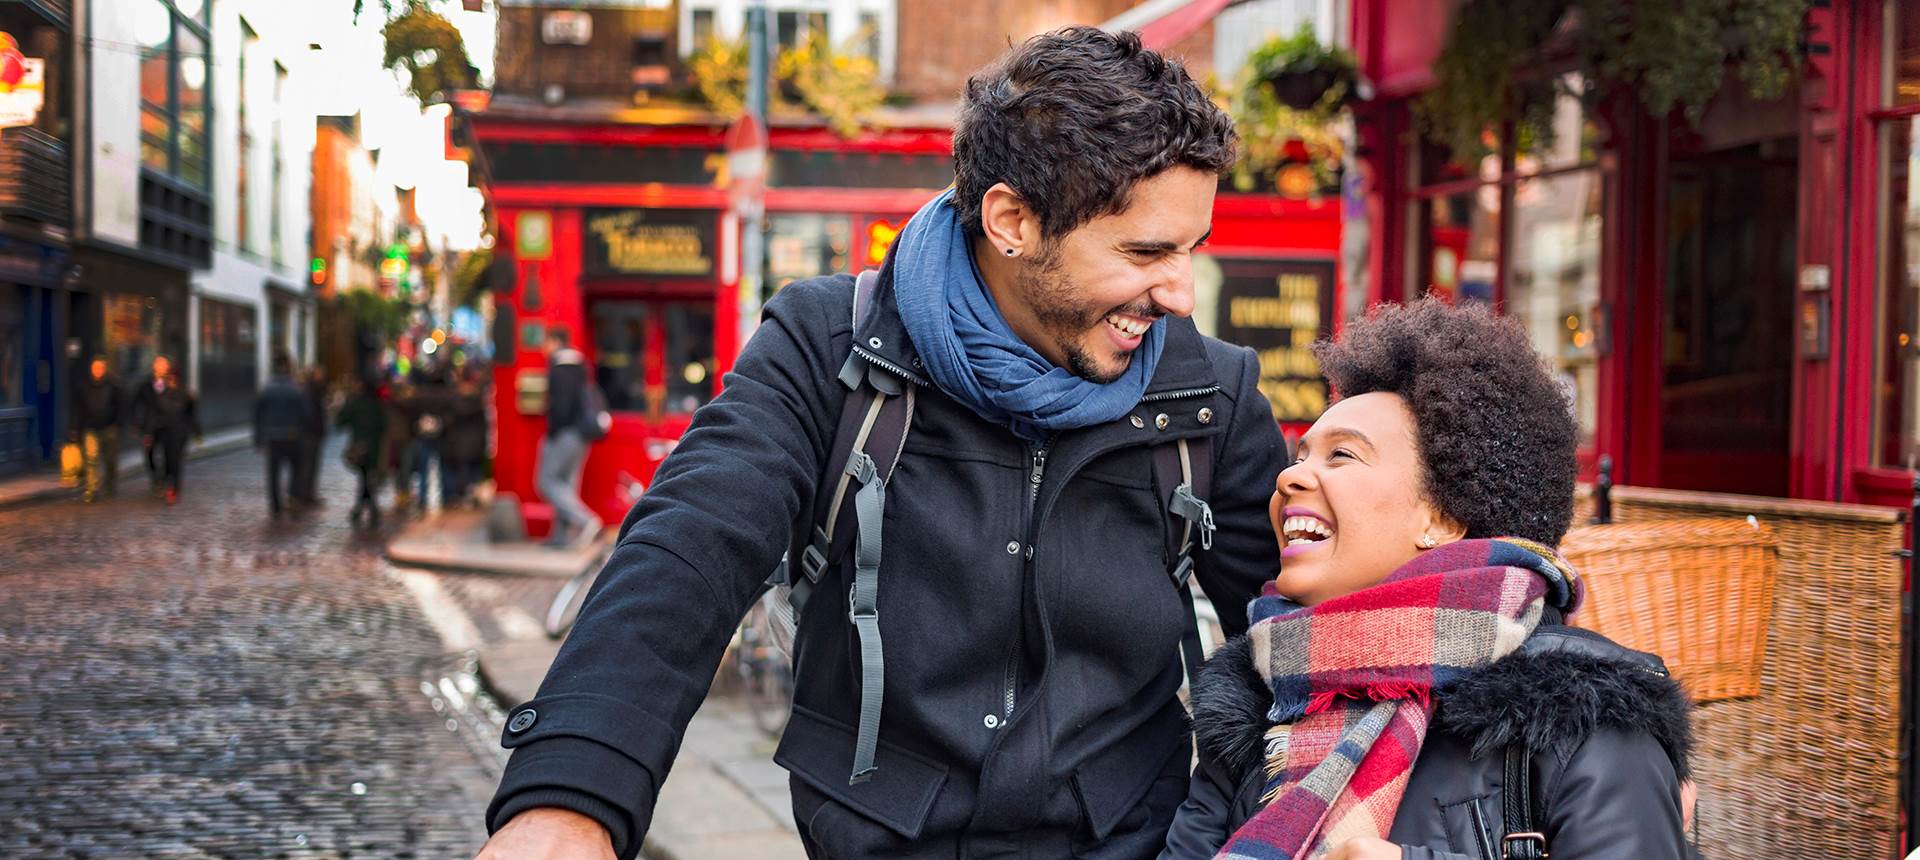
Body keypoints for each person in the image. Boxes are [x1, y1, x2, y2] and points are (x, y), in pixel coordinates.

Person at [477, 28, 1284, 860]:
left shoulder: (1209, 393)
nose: (1182, 294)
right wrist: (571, 795)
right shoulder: (828, 344)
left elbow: (1307, 633)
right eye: (1145, 251)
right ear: (1012, 220)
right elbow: (688, 546)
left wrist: (1234, 830)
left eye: (1193, 249)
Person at [1160, 299, 1695, 860]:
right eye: (1299, 455)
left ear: (1441, 518)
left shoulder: (1583, 719)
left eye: (1341, 456)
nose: (1291, 475)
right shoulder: (1257, 702)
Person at [532, 327, 599, 547]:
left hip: (565, 433)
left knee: (546, 481)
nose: (543, 348)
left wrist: (552, 433)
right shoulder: (580, 367)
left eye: (545, 342)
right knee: (566, 484)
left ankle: (586, 520)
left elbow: (560, 407)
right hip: (583, 433)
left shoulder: (558, 370)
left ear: (554, 342)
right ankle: (560, 538)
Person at [131, 355, 199, 505]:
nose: (161, 368)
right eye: (158, 365)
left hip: (171, 429)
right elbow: (136, 404)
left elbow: (189, 409)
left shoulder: (176, 387)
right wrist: (137, 424)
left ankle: (170, 484)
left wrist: (195, 430)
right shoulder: (146, 385)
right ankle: (157, 478)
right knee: (149, 454)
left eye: (164, 365)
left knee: (171, 456)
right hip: (151, 427)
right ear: (154, 366)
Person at [254, 355, 312, 518]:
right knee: (297, 469)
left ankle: (275, 506)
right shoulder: (297, 389)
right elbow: (306, 414)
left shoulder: (266, 389)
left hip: (273, 436)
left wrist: (258, 438)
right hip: (293, 435)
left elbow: (257, 415)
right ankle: (293, 496)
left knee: (273, 472)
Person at [336, 375, 388, 527]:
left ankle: (365, 508)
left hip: (360, 446)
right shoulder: (377, 403)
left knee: (365, 477)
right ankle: (369, 508)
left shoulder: (355, 402)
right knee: (366, 478)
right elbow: (383, 425)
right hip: (375, 446)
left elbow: (340, 421)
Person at [71, 356, 123, 503]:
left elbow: (121, 407)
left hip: (109, 427)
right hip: (90, 428)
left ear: (105, 369)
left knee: (110, 459)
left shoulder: (114, 386)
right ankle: (91, 489)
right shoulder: (83, 386)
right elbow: (78, 408)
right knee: (91, 458)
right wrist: (74, 427)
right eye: (95, 367)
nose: (98, 370)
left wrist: (117, 424)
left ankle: (111, 483)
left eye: (100, 367)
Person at [441, 363, 489, 507]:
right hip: (476, 444)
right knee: (473, 474)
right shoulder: (479, 399)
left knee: (459, 474)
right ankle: (474, 497)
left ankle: (459, 497)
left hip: (459, 444)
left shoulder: (454, 398)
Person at [293, 366, 329, 506]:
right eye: (320, 374)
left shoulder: (314, 391)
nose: (322, 377)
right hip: (310, 433)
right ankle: (305, 496)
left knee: (311, 465)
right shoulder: (310, 391)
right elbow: (309, 414)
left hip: (313, 433)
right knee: (308, 465)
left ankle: (308, 494)